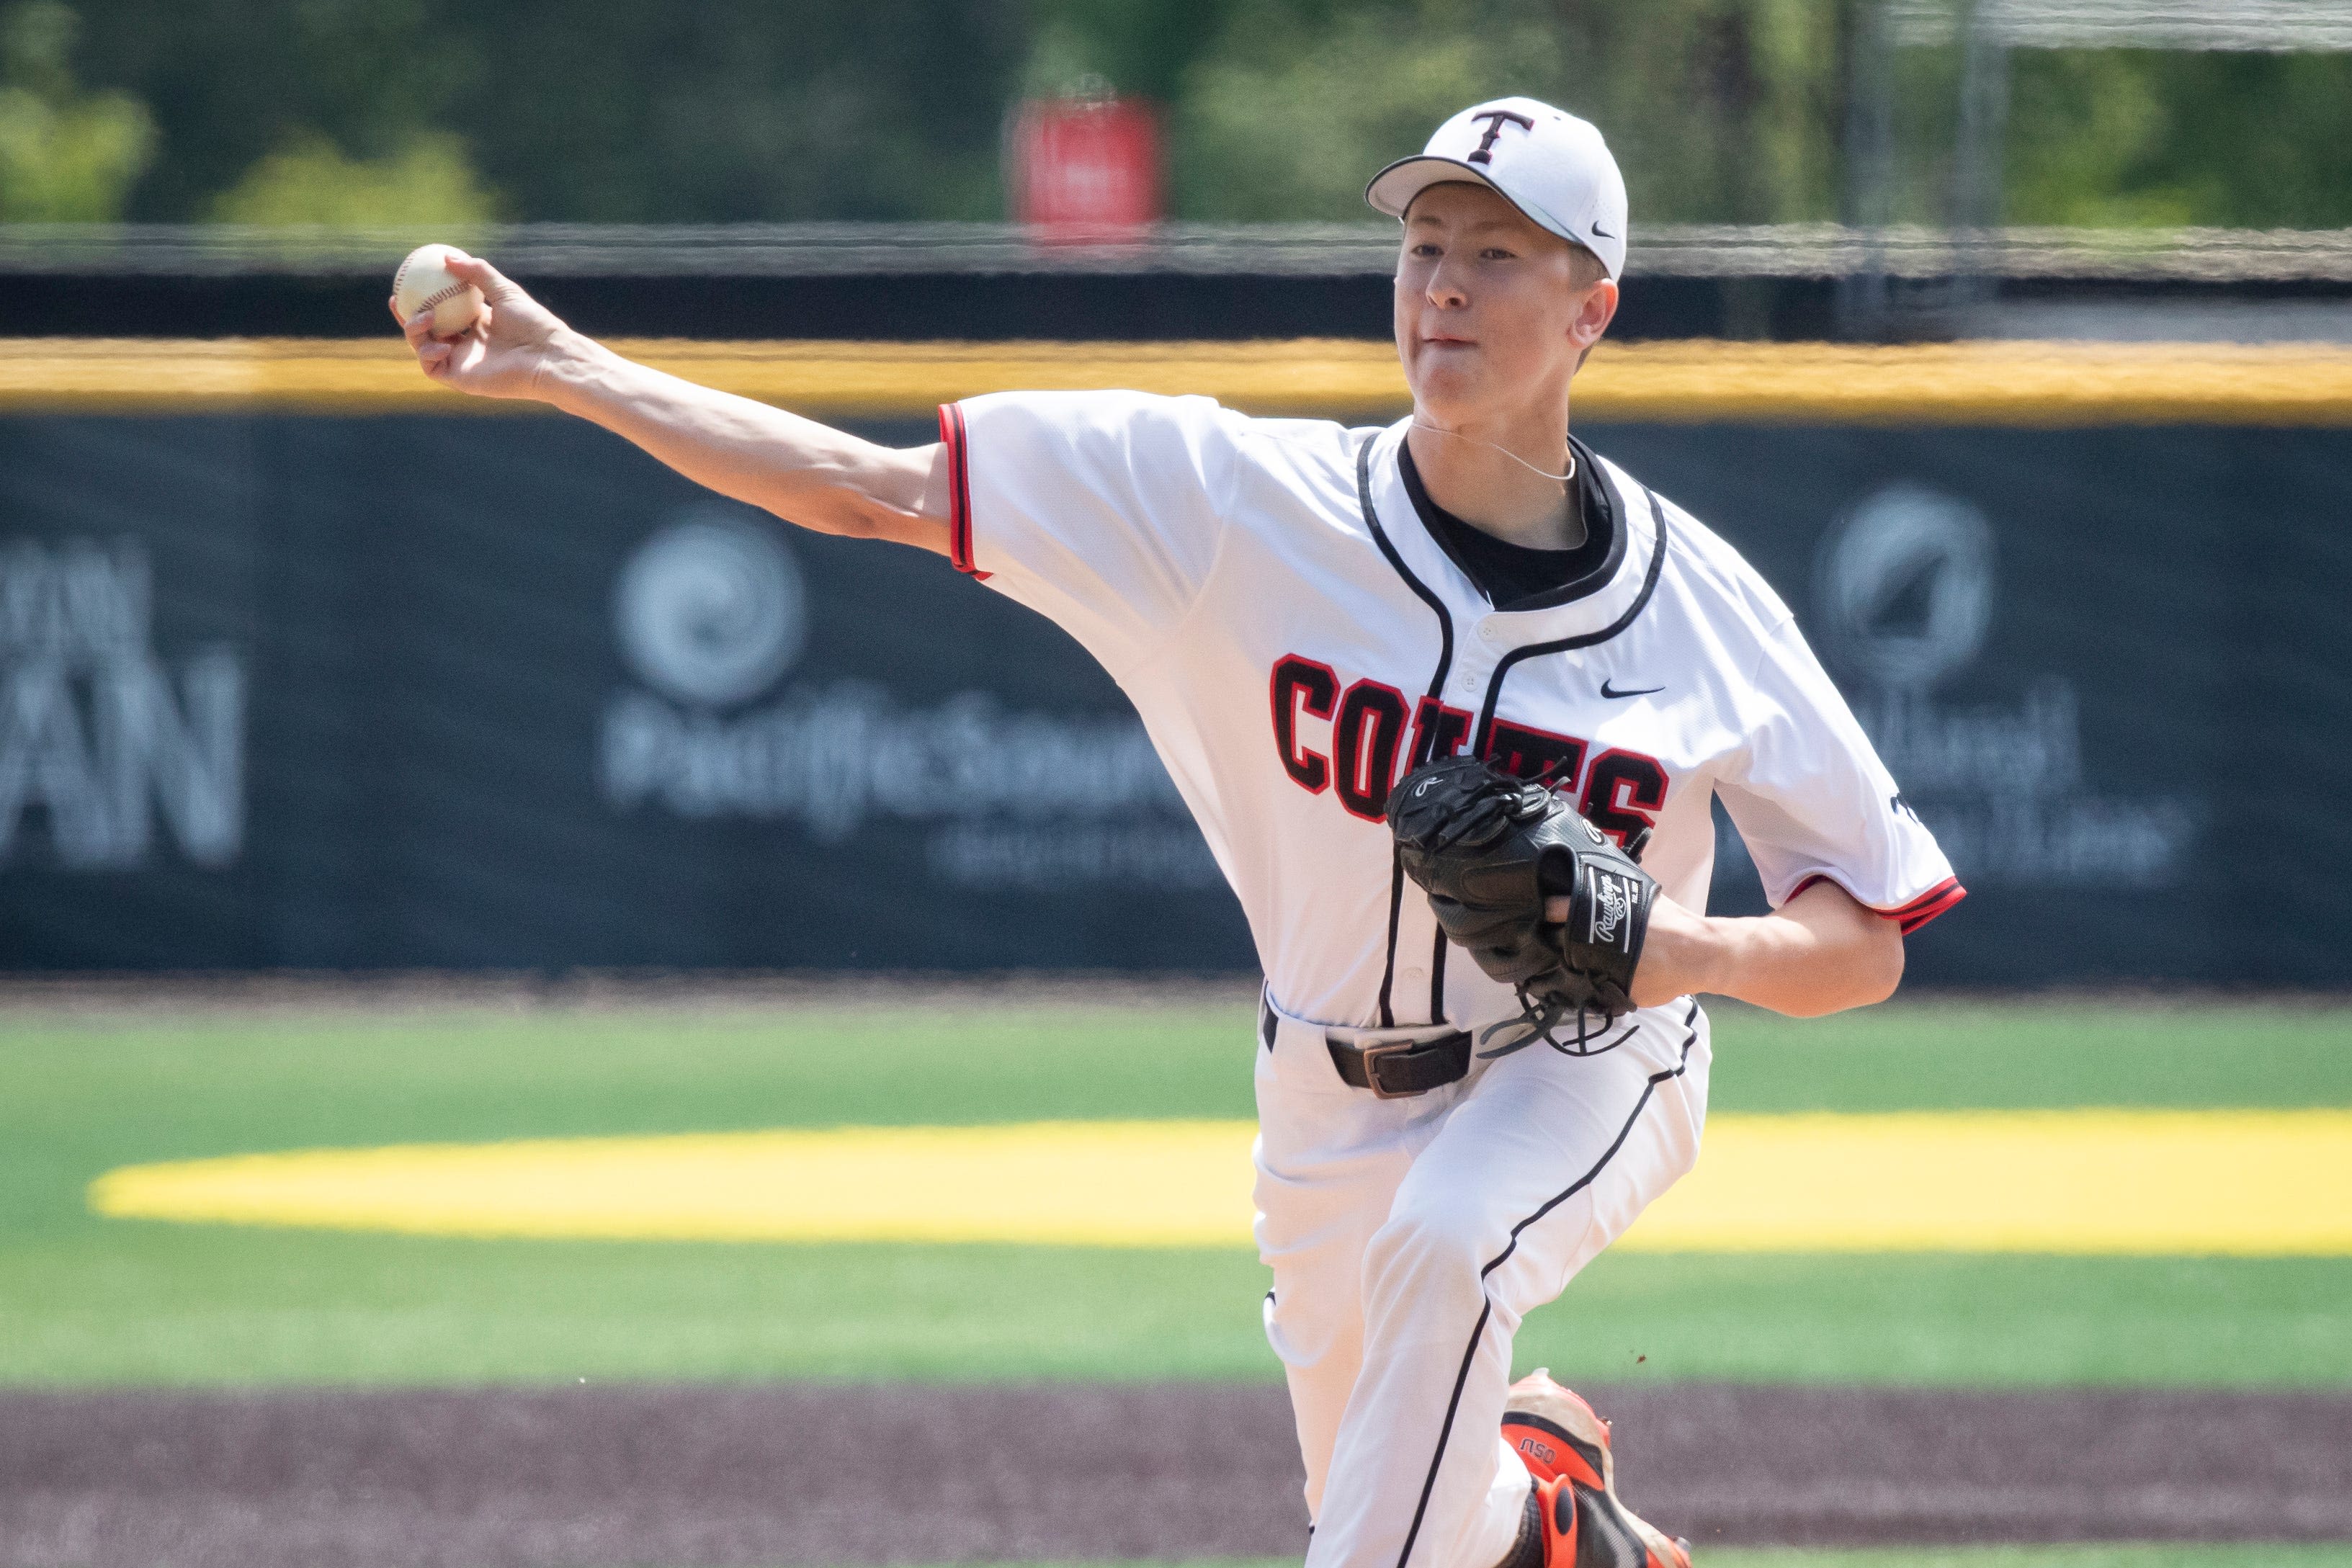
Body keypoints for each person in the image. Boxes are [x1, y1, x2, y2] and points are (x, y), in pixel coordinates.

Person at [396, 96, 1962, 1568]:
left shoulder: (1701, 609)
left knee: (1446, 1257)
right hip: (1323, 1092)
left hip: (1590, 1061)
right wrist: (565, 363)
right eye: (1424, 247)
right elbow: (864, 490)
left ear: (1590, 309)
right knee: (1417, 1479)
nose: (1445, 289)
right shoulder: (1229, 504)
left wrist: (1683, 950)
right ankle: (1556, 1518)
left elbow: (1863, 942)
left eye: (1497, 256)